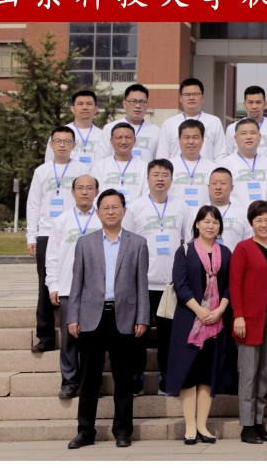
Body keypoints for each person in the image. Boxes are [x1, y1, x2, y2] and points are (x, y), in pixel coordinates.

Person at [65, 189, 149, 449]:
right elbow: (76, 283)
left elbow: (141, 284)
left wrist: (142, 317)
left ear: (124, 211)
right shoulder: (85, 243)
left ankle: (122, 431)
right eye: (106, 208)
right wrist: (73, 316)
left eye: (115, 207)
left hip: (124, 317)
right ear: (98, 212)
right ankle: (85, 431)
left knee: (123, 378)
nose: (111, 212)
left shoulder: (137, 243)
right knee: (89, 378)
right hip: (92, 318)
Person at [169, 205, 236, 445]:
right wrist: (200, 310)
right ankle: (190, 426)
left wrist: (219, 310)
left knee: (208, 374)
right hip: (189, 320)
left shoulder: (225, 252)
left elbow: (230, 285)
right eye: (206, 221)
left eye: (215, 222)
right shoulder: (185, 251)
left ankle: (202, 426)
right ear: (197, 224)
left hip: (216, 322)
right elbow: (180, 284)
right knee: (189, 372)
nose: (211, 225)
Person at [122, 159, 187, 396]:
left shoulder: (181, 207)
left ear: (172, 179)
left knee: (169, 335)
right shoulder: (135, 207)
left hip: (170, 284)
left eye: (165, 175)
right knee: (138, 333)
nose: (160, 179)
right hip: (142, 283)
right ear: (147, 178)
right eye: (156, 174)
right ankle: (135, 377)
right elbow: (127, 245)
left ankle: (167, 378)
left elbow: (188, 242)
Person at [29, 126, 91, 354]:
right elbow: (33, 204)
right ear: (51, 144)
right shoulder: (42, 171)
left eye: (67, 141)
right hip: (47, 233)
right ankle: (45, 336)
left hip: (77, 231)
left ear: (74, 145)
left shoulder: (83, 169)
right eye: (58, 141)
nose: (62, 145)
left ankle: (85, 331)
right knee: (46, 284)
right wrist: (31, 236)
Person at [230, 200, 267, 444]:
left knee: (264, 372)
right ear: (251, 223)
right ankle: (247, 425)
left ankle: (259, 422)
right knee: (248, 372)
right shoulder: (243, 247)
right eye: (258, 220)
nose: (263, 224)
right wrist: (238, 315)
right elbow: (235, 283)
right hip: (250, 319)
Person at [44, 175, 102, 399]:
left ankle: (90, 383)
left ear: (97, 192)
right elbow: (52, 256)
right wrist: (53, 285)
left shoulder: (103, 219)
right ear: (73, 192)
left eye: (89, 188)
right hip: (68, 288)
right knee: (69, 340)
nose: (84, 192)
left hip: (96, 290)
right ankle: (69, 381)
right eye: (80, 188)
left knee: (92, 340)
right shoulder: (61, 221)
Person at [158, 78, 226, 161]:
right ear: (180, 98)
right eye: (187, 94)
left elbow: (220, 154)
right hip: (176, 169)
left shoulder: (214, 122)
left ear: (202, 97)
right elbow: (162, 155)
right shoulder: (169, 123)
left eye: (196, 94)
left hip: (206, 169)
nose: (191, 98)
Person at [221, 117, 267, 208]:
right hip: (236, 214)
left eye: (253, 133)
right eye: (243, 133)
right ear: (235, 138)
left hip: (264, 215)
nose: (249, 137)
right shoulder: (225, 165)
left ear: (260, 136)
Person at [189, 168, 249, 250]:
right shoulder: (196, 212)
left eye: (223, 183)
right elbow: (190, 241)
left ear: (231, 187)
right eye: (214, 183)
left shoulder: (243, 214)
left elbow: (248, 245)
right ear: (208, 187)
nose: (218, 187)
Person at [91, 122, 149, 204]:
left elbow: (146, 196)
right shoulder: (99, 166)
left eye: (128, 137)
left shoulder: (144, 167)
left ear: (134, 140)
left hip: (135, 211)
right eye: (119, 137)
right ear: (111, 141)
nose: (124, 141)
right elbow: (94, 195)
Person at [169, 119, 220, 210]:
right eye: (186, 137)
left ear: (202, 140)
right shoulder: (168, 167)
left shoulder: (213, 168)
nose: (191, 142)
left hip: (203, 217)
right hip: (175, 214)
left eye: (195, 137)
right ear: (179, 139)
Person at [220, 86, 267, 161]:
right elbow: (229, 156)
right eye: (250, 102)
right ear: (244, 104)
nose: (254, 106)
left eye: (258, 102)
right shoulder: (232, 128)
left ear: (265, 104)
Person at [43, 90, 104, 164]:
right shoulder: (60, 134)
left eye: (89, 104)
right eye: (80, 104)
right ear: (72, 109)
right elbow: (49, 162)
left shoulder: (103, 135)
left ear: (95, 109)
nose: (85, 107)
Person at [102, 84, 158, 160]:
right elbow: (102, 159)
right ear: (124, 104)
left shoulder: (156, 131)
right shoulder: (110, 128)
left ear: (147, 105)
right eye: (133, 101)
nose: (138, 106)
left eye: (142, 102)